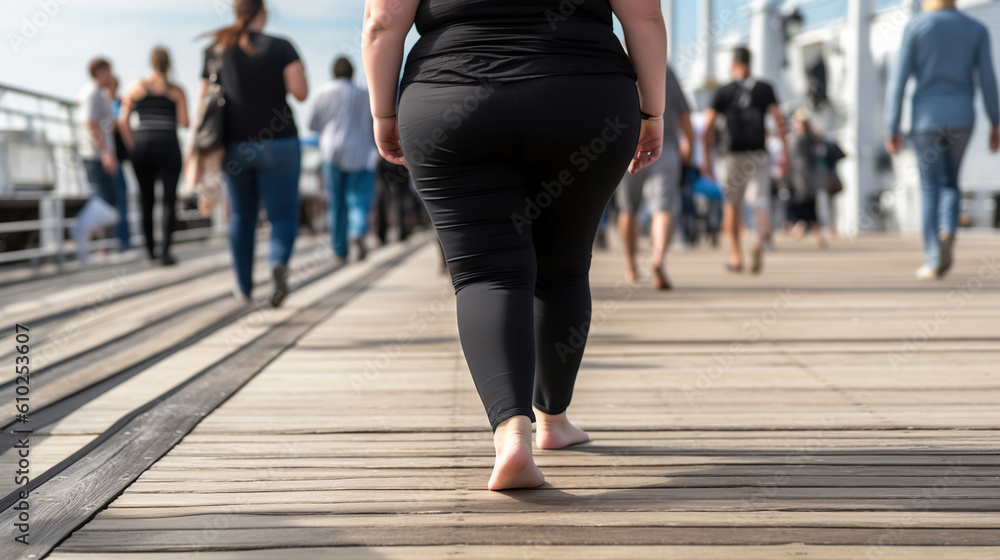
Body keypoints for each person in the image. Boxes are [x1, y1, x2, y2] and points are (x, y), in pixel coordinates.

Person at [363, 0, 666, 490]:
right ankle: (553, 422)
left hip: (450, 97)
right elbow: (645, 16)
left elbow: (381, 22)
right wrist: (653, 109)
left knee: (486, 272)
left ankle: (512, 434)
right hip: (583, 96)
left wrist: (383, 112)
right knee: (564, 266)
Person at [198, 0, 308, 306]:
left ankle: (244, 287)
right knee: (283, 215)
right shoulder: (282, 46)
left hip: (235, 146)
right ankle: (277, 262)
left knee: (241, 217)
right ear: (262, 12)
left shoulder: (214, 51)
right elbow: (300, 91)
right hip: (281, 142)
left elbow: (202, 105)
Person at [885, 0, 1000, 280]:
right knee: (951, 182)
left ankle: (933, 257)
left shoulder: (915, 27)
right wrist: (995, 121)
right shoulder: (976, 28)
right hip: (962, 117)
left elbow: (898, 81)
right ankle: (948, 229)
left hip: (926, 119)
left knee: (929, 187)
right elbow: (987, 79)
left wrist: (892, 126)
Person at [702, 47, 790, 274]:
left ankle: (736, 257)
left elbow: (708, 125)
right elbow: (779, 121)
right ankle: (758, 241)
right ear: (750, 62)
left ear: (734, 63)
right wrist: (785, 152)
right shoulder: (765, 88)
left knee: (732, 204)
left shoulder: (723, 91)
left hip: (732, 154)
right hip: (758, 154)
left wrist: (706, 158)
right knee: (760, 200)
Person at [615, 63, 694, 289]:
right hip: (665, 146)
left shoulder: (616, 67)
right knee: (663, 207)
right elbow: (684, 111)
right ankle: (658, 257)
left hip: (626, 147)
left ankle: (631, 267)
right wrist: (690, 143)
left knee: (627, 208)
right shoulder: (665, 69)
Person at [119, 47, 189, 266]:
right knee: (169, 200)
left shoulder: (136, 87)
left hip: (143, 146)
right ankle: (165, 252)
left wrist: (132, 146)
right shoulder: (176, 90)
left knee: (145, 199)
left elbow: (122, 121)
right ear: (169, 63)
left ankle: (150, 252)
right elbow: (185, 122)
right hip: (168, 145)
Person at [308, 57, 376, 261]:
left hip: (331, 153)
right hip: (361, 154)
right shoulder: (364, 94)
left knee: (336, 203)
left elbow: (312, 124)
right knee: (358, 201)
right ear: (352, 72)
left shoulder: (322, 92)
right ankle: (357, 232)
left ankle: (339, 250)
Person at [786, 109, 826, 248]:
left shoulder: (800, 137)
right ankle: (812, 232)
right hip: (809, 175)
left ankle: (801, 227)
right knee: (810, 205)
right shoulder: (811, 136)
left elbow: (792, 156)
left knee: (804, 204)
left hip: (802, 176)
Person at [109, 76, 132, 253]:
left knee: (121, 199)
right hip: (106, 158)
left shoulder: (120, 101)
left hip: (118, 157)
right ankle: (115, 243)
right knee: (109, 200)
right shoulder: (102, 103)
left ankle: (123, 243)